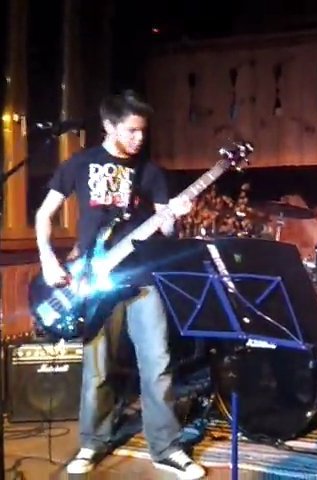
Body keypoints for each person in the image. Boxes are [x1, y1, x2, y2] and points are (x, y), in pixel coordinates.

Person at [34, 90, 206, 480]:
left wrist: (175, 215)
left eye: (143, 131)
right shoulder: (80, 163)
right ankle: (92, 441)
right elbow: (45, 213)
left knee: (157, 364)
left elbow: (166, 228)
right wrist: (47, 258)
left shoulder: (151, 172)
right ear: (109, 126)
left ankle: (166, 448)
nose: (139, 138)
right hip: (95, 278)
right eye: (131, 130)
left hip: (143, 277)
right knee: (98, 367)